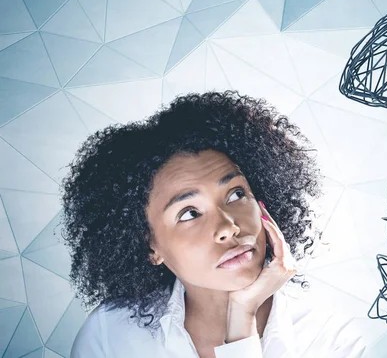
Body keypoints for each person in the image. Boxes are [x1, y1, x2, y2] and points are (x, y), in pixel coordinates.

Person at [62, 91, 369, 357]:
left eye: (236, 194)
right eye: (189, 213)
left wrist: (242, 321)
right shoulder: (110, 338)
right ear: (151, 245)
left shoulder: (329, 339)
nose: (228, 227)